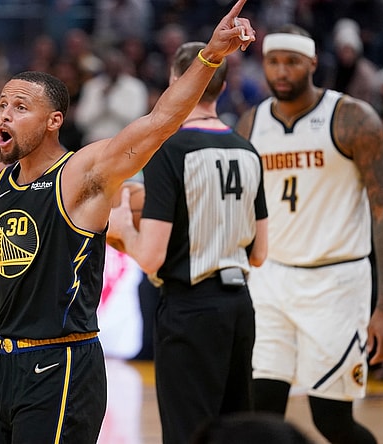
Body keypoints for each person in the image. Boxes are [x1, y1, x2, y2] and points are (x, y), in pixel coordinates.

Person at [0, 2, 256, 443]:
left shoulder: (84, 175)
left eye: (20, 107)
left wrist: (210, 55)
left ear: (54, 121)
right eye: (1, 106)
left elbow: (159, 122)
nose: (4, 115)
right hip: (9, 365)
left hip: (65, 366)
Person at [234, 25, 383, 444]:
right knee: (261, 410)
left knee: (331, 420)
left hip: (336, 283)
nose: (282, 71)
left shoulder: (351, 118)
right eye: (273, 61)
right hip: (271, 280)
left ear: (312, 63)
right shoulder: (251, 123)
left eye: (292, 61)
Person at [108, 41, 268, 442]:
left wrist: (122, 226)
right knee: (234, 432)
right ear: (225, 84)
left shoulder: (169, 150)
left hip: (189, 309)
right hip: (239, 309)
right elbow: (260, 253)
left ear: (176, 82)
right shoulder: (248, 150)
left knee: (188, 434)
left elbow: (151, 256)